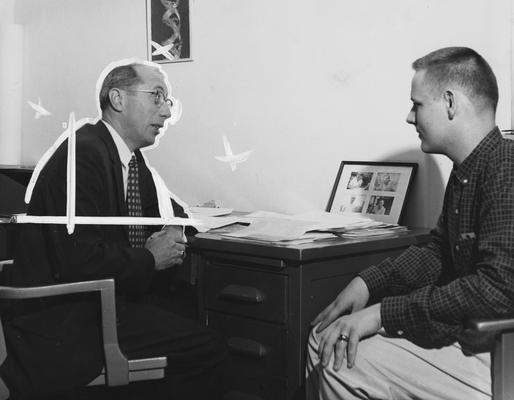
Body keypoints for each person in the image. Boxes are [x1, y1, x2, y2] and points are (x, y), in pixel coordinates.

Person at [0, 59, 226, 399]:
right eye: (157, 97)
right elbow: (79, 260)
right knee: (208, 345)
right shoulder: (83, 155)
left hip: (99, 306)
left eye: (169, 102)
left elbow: (169, 214)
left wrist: (180, 229)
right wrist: (150, 258)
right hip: (64, 321)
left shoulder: (130, 160)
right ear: (118, 99)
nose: (166, 112)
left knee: (189, 317)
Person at [306, 46, 514, 399]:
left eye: (417, 104)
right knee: (326, 337)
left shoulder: (505, 169)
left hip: (500, 352)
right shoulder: (471, 168)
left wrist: (383, 314)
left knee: (337, 357)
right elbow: (438, 252)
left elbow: (498, 289)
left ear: (450, 103)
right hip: (480, 338)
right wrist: (367, 284)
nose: (409, 116)